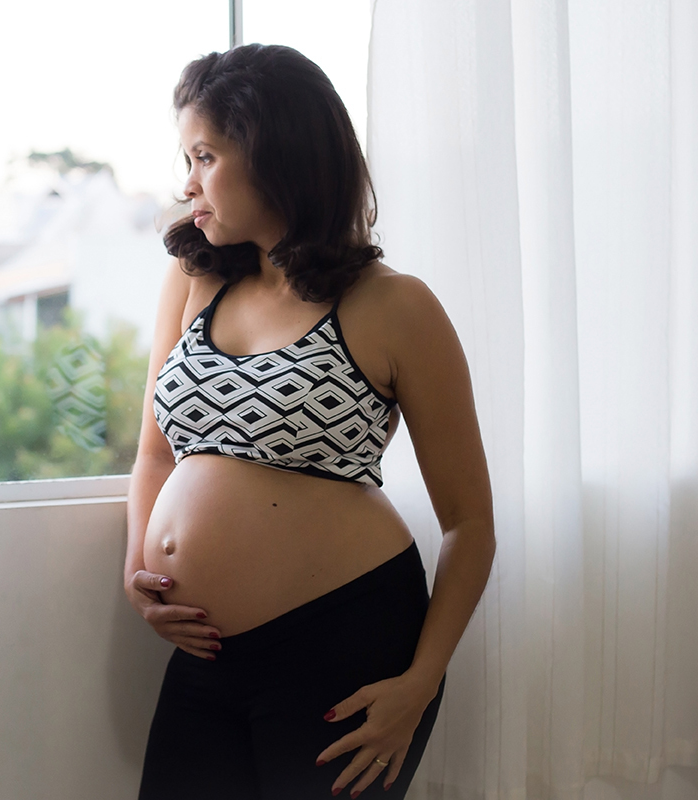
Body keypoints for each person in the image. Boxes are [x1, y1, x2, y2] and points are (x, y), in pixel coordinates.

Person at [124, 44, 495, 799]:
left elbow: (469, 524)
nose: (187, 182)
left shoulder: (395, 306)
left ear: (273, 154)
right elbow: (155, 455)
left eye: (204, 155)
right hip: (206, 657)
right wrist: (141, 574)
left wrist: (421, 685)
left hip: (345, 651)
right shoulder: (196, 276)